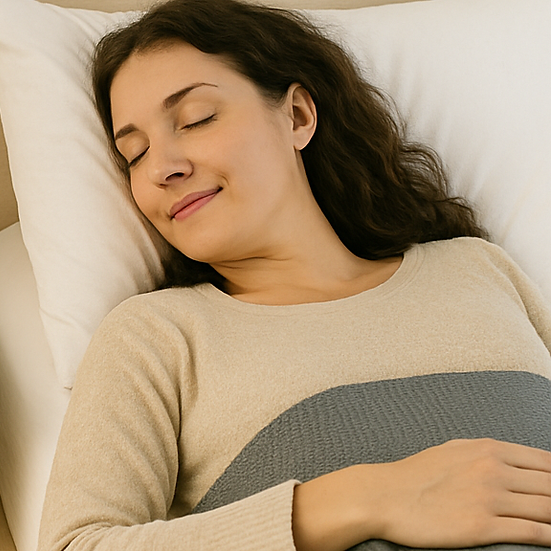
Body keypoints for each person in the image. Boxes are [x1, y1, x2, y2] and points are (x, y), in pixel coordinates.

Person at [36, 0, 551, 550]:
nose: (163, 168)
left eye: (196, 119)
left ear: (298, 116)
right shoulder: (159, 336)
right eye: (134, 153)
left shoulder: (477, 269)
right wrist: (368, 498)